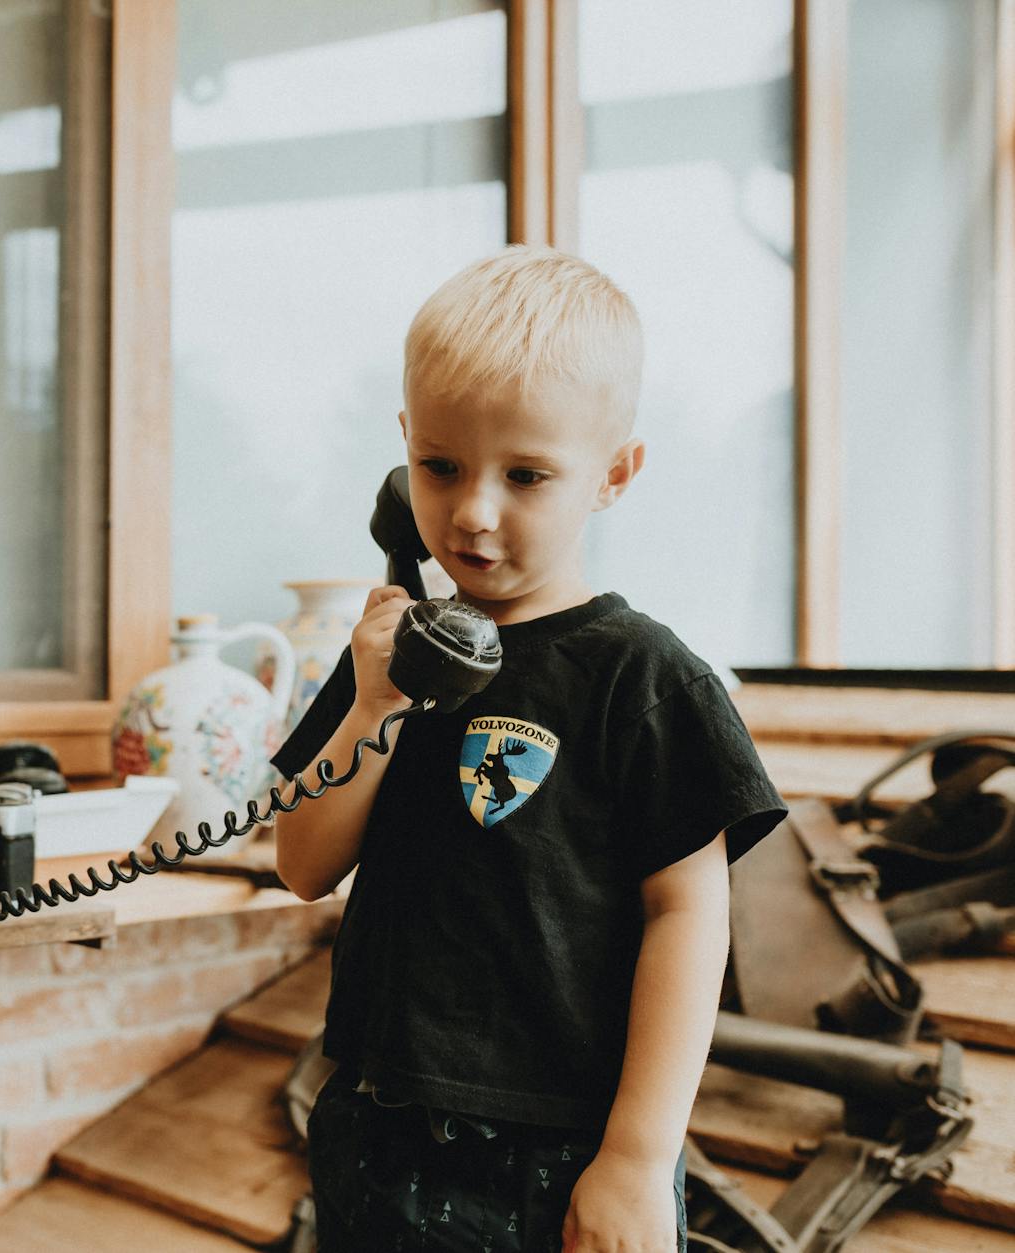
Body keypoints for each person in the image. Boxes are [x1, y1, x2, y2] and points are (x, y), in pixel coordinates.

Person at [269, 245, 787, 1252]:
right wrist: (374, 699)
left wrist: (638, 1158)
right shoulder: (390, 652)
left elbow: (688, 914)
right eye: (439, 465)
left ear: (613, 474)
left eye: (526, 474)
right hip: (377, 1129)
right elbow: (301, 862)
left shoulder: (640, 677)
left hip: (556, 1153)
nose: (470, 509)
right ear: (400, 451)